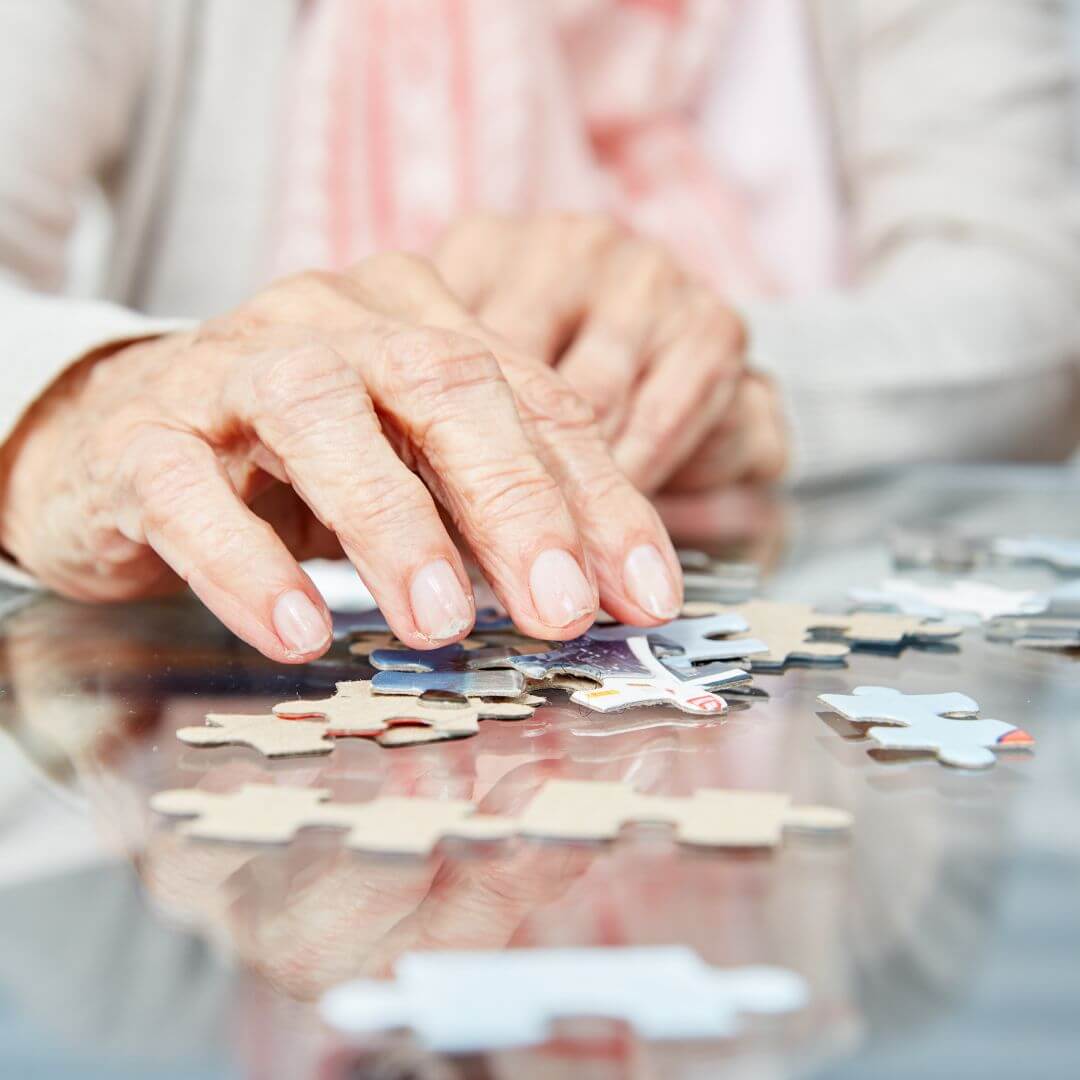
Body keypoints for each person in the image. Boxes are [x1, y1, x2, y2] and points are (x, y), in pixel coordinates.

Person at [0, 0, 1075, 664]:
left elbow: (1034, 300)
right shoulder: (139, 993)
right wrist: (78, 404)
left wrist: (717, 376)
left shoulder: (886, 954)